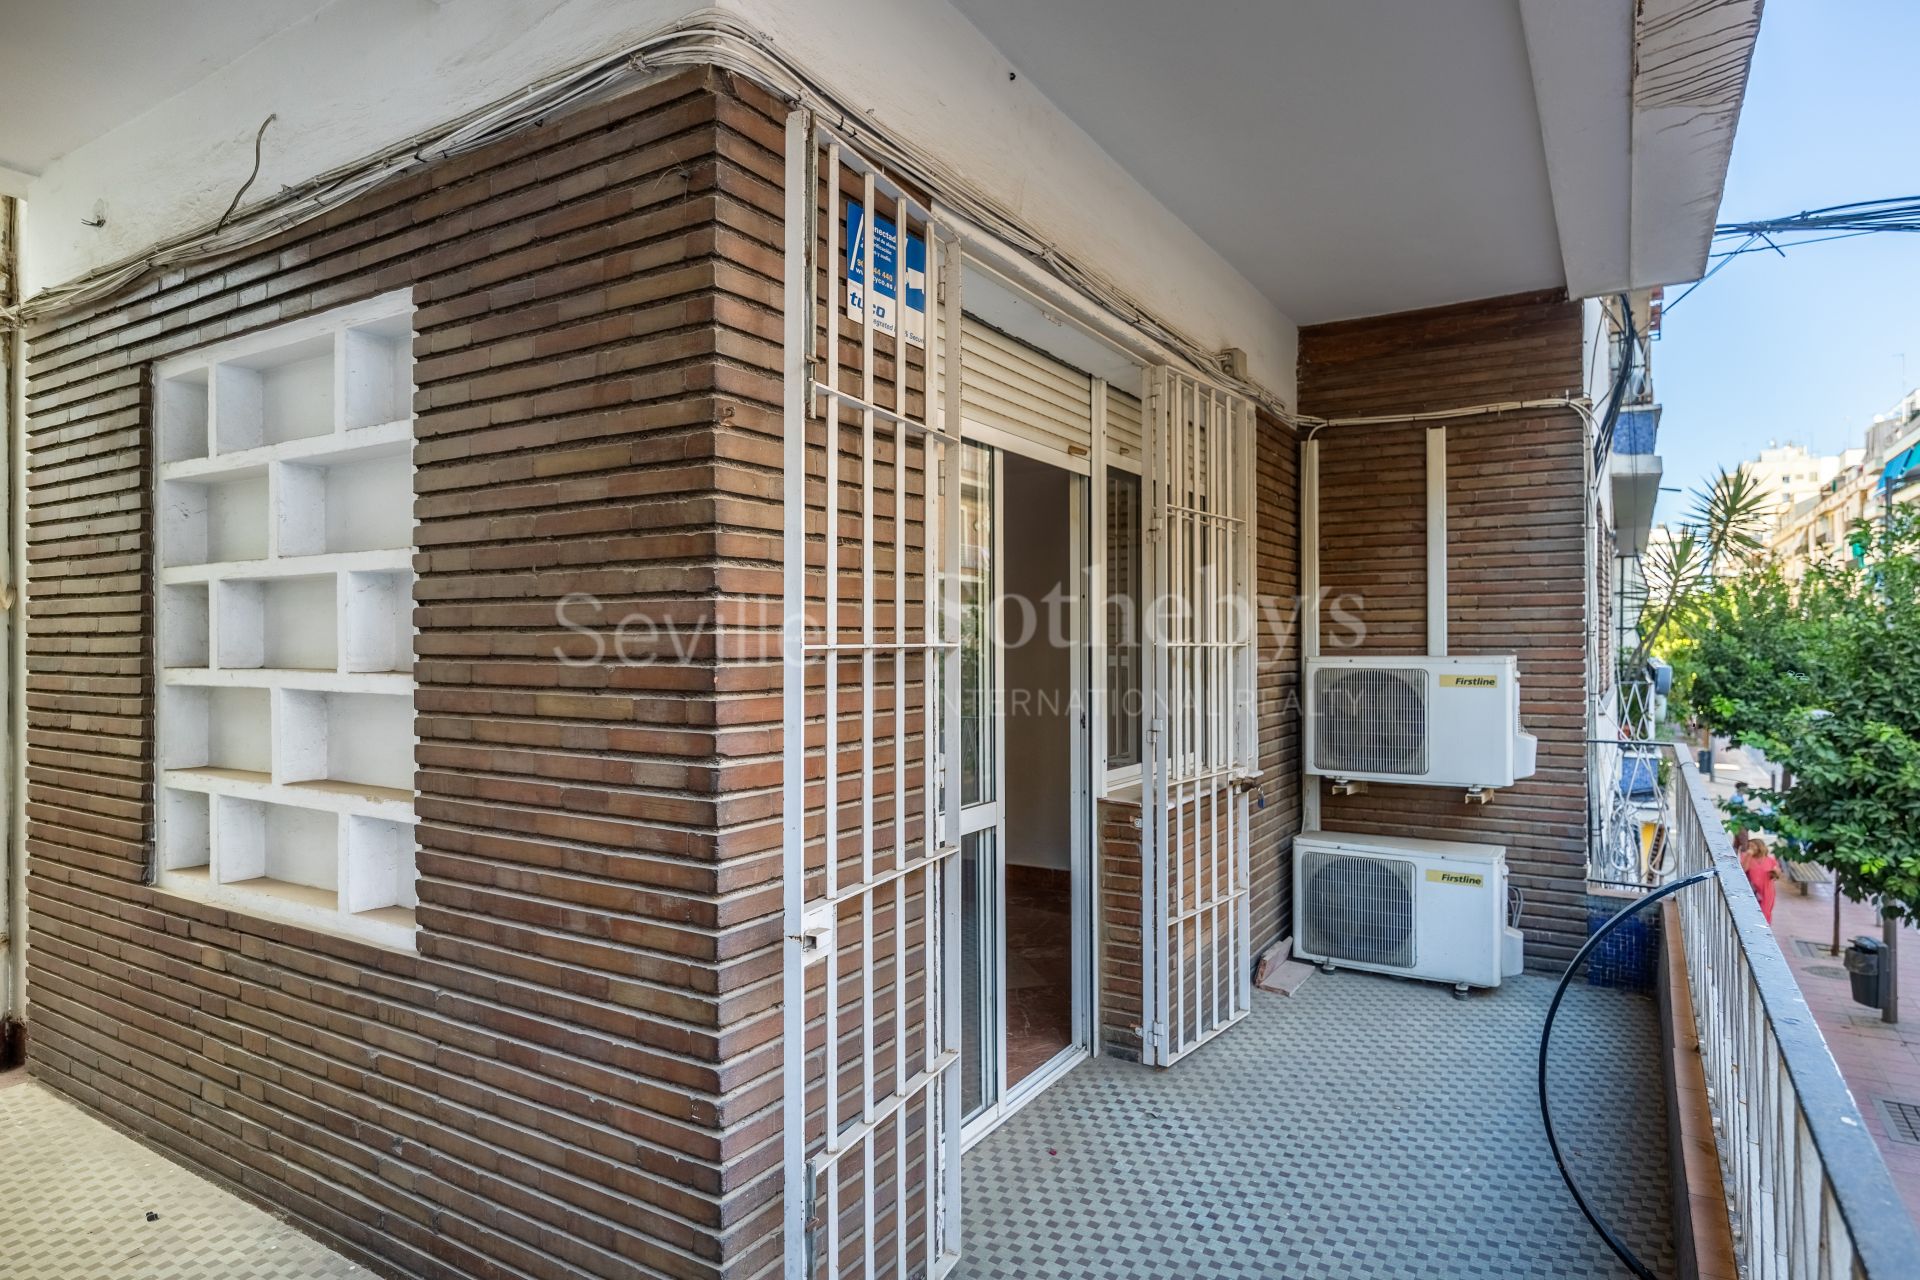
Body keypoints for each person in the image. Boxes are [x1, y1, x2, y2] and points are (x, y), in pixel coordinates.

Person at [1740, 836, 1781, 924]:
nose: (1751, 848)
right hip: (1753, 890)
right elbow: (1743, 870)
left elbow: (1777, 875)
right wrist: (1748, 855)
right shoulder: (1747, 857)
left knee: (1765, 913)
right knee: (1753, 913)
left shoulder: (1770, 860)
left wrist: (1775, 872)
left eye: (1753, 846)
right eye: (1749, 846)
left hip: (1767, 890)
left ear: (1760, 847)